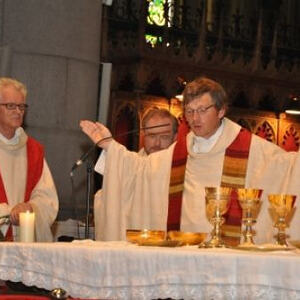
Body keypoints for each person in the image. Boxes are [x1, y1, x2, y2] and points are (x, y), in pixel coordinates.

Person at [80, 77, 300, 243]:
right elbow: (139, 171)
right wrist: (110, 146)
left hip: (227, 255)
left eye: (202, 110)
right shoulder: (178, 153)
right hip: (183, 253)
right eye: (189, 111)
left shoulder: (249, 148)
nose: (194, 118)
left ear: (221, 110)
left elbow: (287, 169)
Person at [93, 108, 178, 240]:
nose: (157, 143)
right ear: (143, 134)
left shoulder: (180, 169)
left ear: (175, 137)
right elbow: (110, 201)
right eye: (152, 136)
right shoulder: (129, 166)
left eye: (164, 137)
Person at [0, 77, 58, 242]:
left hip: (24, 245)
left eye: (21, 106)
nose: (18, 111)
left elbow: (47, 199)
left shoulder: (33, 150)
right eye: (10, 106)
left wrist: (30, 208)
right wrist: (8, 212)